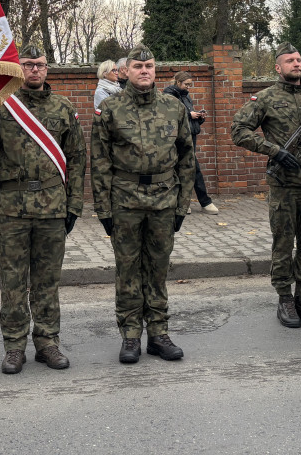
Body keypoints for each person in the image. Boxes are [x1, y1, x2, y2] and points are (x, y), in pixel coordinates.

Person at [0, 45, 87, 374]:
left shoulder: (63, 108)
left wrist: (73, 205)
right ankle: (15, 345)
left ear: (48, 69)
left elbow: (77, 159)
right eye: (28, 65)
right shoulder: (2, 106)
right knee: (13, 281)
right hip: (12, 209)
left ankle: (47, 342)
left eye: (40, 65)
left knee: (47, 281)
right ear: (18, 70)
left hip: (52, 208)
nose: (35, 69)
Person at [91, 46, 195, 364]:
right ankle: (131, 335)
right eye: (138, 66)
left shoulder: (173, 108)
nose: (144, 71)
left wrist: (182, 205)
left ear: (156, 70)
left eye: (149, 66)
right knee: (128, 270)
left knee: (158, 269)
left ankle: (159, 333)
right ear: (127, 71)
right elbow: (99, 162)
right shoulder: (110, 109)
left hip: (164, 198)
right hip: (125, 199)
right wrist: (103, 210)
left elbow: (187, 159)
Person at [232, 43, 301, 328]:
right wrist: (274, 150)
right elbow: (238, 131)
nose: (297, 63)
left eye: (299, 59)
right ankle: (285, 299)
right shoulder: (264, 98)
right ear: (278, 67)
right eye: (290, 60)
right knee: (283, 244)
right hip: (284, 184)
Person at [164, 71, 219, 214]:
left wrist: (199, 117)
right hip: (178, 139)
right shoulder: (169, 95)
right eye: (186, 84)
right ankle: (201, 202)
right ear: (178, 82)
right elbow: (170, 116)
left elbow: (189, 116)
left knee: (192, 168)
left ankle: (194, 202)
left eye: (190, 84)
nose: (189, 87)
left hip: (191, 136)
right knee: (187, 169)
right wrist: (189, 115)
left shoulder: (185, 95)